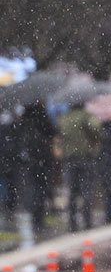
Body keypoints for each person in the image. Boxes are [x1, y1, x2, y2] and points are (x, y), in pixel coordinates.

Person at [58, 101, 101, 231]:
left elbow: (61, 136)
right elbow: (97, 132)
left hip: (69, 159)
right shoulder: (86, 117)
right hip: (85, 157)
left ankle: (72, 222)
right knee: (87, 190)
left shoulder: (64, 118)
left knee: (72, 191)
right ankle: (87, 221)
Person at [15, 101, 55, 235]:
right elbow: (52, 131)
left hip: (30, 158)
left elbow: (19, 136)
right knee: (42, 187)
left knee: (33, 188)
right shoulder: (42, 115)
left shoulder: (24, 118)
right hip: (43, 157)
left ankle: (35, 218)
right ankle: (39, 219)